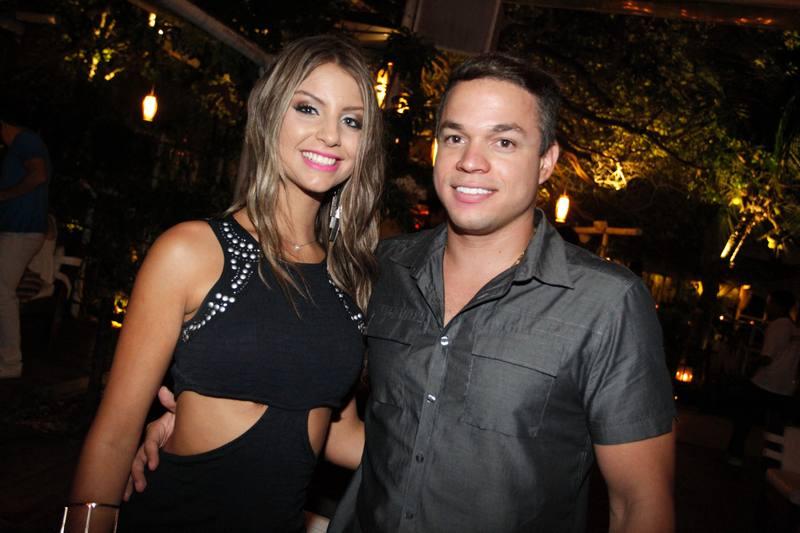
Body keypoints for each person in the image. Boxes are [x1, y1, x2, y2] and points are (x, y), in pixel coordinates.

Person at [133, 53, 677, 532]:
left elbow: (639, 504)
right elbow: (313, 384)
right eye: (455, 137)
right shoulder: (377, 270)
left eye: (504, 141)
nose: (471, 160)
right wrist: (205, 415)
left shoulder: (606, 304)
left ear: (546, 162)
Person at [66, 34, 382, 533]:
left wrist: (469, 464)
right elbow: (115, 434)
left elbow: (339, 434)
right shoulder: (191, 251)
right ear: (270, 114)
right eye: (307, 108)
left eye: (351, 120)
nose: (329, 135)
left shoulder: (348, 280)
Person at [0, 111, 51, 379]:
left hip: (22, 232)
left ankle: (10, 363)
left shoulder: (25, 141)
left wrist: (4, 195)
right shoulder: (16, 148)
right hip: (15, 231)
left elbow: (38, 175)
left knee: (2, 292)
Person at [727, 289, 799, 465]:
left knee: (744, 419)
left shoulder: (778, 326)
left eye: (770, 303)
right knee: (776, 427)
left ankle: (735, 455)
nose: (767, 307)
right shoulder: (794, 329)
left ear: (778, 305)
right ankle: (772, 462)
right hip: (785, 386)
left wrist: (751, 366)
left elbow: (767, 357)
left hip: (766, 381)